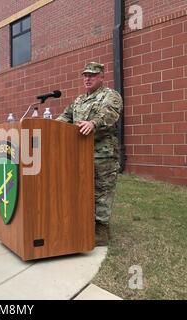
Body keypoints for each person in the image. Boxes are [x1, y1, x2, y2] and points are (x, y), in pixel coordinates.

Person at [56, 62, 123, 246]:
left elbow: (110, 114)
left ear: (101, 77)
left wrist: (93, 123)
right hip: (80, 154)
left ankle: (101, 231)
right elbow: (65, 117)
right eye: (85, 75)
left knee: (102, 191)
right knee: (82, 191)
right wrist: (51, 127)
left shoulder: (110, 96)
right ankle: (85, 224)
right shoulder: (78, 100)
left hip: (103, 155)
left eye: (92, 75)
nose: (87, 78)